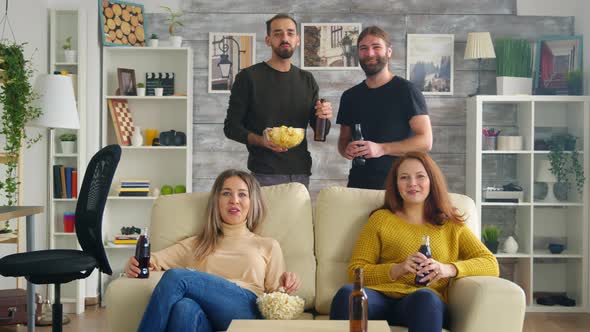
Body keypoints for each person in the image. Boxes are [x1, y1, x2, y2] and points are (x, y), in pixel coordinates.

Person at [329, 152, 499, 331]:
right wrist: (396, 269)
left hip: (423, 301)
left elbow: (490, 263)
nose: (412, 184)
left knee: (425, 299)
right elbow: (355, 271)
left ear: (431, 181)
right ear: (396, 184)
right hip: (380, 298)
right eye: (404, 178)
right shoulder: (380, 219)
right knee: (348, 295)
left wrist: (447, 269)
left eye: (420, 177)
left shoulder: (450, 224)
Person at [128, 169, 301, 332]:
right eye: (226, 193)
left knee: (176, 277)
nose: (234, 200)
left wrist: (287, 282)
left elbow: (276, 296)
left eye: (242, 194)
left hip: (246, 308)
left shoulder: (268, 245)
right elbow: (152, 261)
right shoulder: (196, 244)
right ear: (216, 201)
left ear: (252, 202)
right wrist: (133, 265)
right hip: (206, 317)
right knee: (184, 308)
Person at [224, 13, 333, 189]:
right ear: (268, 40)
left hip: (301, 174)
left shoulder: (307, 79)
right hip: (264, 174)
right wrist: (261, 140)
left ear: (297, 39)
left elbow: (321, 132)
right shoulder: (248, 77)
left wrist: (324, 116)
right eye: (277, 33)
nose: (285, 38)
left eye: (290, 33)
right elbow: (231, 127)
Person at [337, 26, 433, 190]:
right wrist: (347, 150)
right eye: (364, 48)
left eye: (376, 47)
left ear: (389, 52)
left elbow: (425, 141)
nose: (370, 53)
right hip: (358, 186)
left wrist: (382, 148)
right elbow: (343, 141)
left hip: (398, 188)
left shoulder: (407, 91)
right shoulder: (349, 96)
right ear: (358, 53)